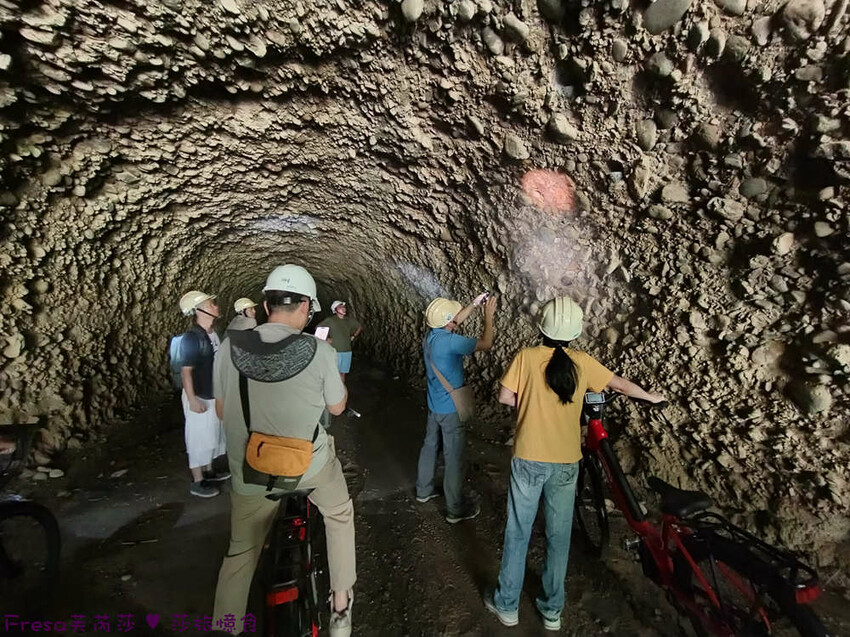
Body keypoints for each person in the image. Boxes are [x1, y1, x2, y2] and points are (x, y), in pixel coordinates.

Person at [484, 296, 665, 631]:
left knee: (518, 533)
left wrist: (530, 405)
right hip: (566, 462)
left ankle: (507, 606)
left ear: (542, 326)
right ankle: (552, 610)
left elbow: (505, 397)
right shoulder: (582, 362)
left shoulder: (525, 357)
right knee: (558, 536)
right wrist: (651, 396)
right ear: (574, 332)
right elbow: (618, 384)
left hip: (528, 458)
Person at [212, 265, 356, 637]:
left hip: (250, 470)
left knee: (242, 552)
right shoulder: (319, 351)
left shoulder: (229, 348)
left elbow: (222, 410)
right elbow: (337, 408)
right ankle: (341, 609)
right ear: (307, 308)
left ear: (265, 304)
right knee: (339, 514)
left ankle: (224, 627)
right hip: (307, 467)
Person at [416, 292, 497, 524]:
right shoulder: (451, 342)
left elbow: (453, 321)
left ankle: (423, 490)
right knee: (454, 457)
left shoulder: (431, 337)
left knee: (430, 446)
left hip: (434, 405)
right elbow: (487, 343)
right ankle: (455, 509)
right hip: (451, 409)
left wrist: (473, 304)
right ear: (447, 321)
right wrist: (488, 317)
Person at [178, 290, 230, 498]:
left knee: (213, 435)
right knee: (198, 438)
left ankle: (209, 471)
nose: (216, 307)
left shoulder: (212, 334)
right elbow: (186, 372)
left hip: (211, 393)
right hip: (199, 395)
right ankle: (198, 481)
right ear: (198, 310)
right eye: (211, 305)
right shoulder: (191, 338)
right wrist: (192, 399)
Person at [317, 301, 363, 383]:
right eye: (340, 307)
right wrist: (326, 338)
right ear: (335, 309)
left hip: (347, 351)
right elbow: (318, 328)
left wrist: (353, 336)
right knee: (334, 374)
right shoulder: (330, 320)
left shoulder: (349, 320)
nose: (343, 308)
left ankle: (341, 392)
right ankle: (332, 392)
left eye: (344, 307)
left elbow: (359, 327)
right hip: (335, 351)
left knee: (343, 374)